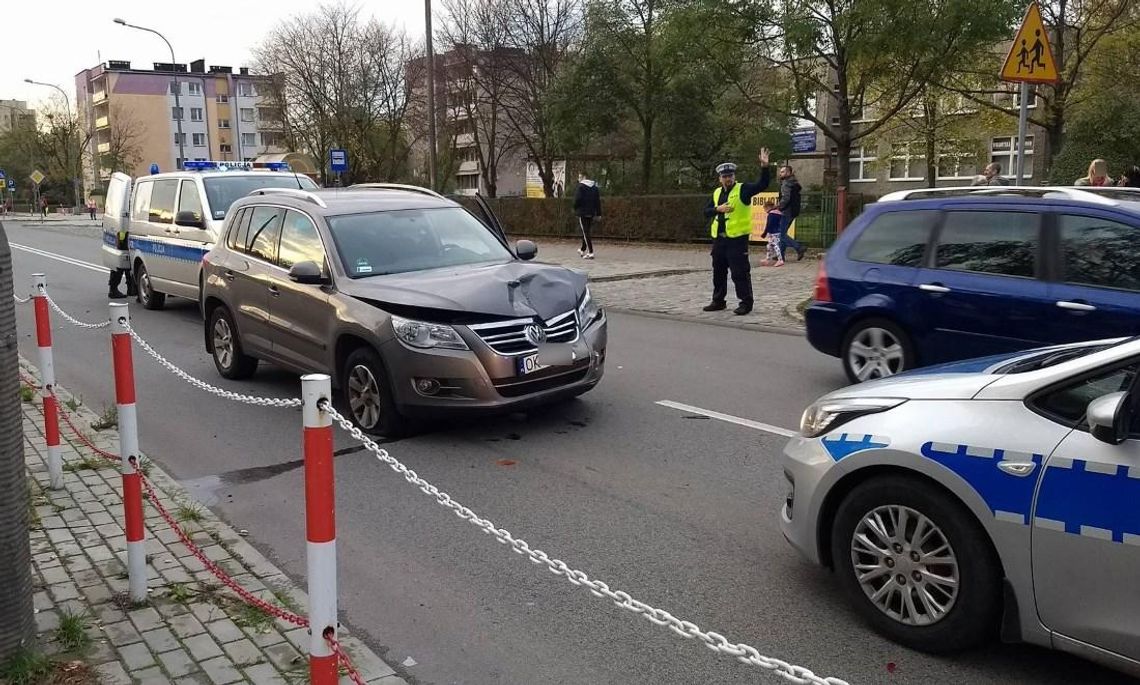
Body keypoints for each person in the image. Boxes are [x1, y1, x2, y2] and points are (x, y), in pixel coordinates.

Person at [702, 148, 772, 316]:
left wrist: (765, 167)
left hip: (737, 240)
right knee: (718, 272)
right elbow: (706, 211)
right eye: (725, 176)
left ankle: (746, 303)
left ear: (734, 176)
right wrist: (717, 209)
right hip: (719, 240)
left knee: (740, 273)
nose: (728, 179)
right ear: (720, 178)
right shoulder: (717, 192)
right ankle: (718, 300)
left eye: (730, 176)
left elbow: (762, 185)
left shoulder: (743, 189)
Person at [776, 164, 806, 261]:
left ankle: (799, 247)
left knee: (781, 234)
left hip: (786, 211)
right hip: (793, 210)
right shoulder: (794, 182)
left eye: (783, 172)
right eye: (780, 172)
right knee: (782, 232)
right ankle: (781, 255)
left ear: (788, 173)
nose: (780, 174)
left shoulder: (786, 183)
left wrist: (779, 207)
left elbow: (785, 198)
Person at [573, 172, 602, 260]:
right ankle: (582, 249)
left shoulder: (581, 187)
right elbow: (597, 201)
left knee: (585, 232)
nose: (578, 179)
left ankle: (590, 252)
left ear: (584, 177)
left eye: (580, 177)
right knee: (586, 231)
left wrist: (575, 208)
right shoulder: (594, 187)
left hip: (583, 212)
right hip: (591, 212)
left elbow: (577, 199)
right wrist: (599, 213)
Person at [107, 226, 137, 299]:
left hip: (123, 234)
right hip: (122, 237)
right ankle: (114, 289)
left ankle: (130, 289)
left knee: (127, 263)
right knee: (121, 264)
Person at [760, 200, 784, 267]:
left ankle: (780, 260)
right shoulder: (778, 213)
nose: (765, 210)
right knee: (769, 246)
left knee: (775, 245)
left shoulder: (771, 214)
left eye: (765, 209)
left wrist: (765, 233)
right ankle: (767, 259)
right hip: (776, 231)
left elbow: (769, 224)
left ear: (768, 207)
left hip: (773, 232)